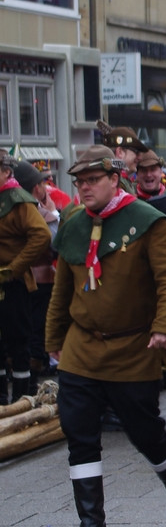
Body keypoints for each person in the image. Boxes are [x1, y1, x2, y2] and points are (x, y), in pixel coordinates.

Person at [44, 146, 166, 527]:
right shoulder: (74, 223)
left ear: (115, 178)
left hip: (133, 347)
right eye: (79, 182)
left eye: (92, 180)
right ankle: (92, 525)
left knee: (144, 432)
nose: (84, 188)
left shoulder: (147, 222)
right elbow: (63, 289)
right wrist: (53, 339)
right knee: (79, 434)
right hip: (81, 347)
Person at [0, 151, 52, 404]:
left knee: (18, 341)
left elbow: (42, 236)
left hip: (13, 283)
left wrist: (15, 267)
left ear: (7, 172)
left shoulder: (18, 200)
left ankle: (22, 398)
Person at [13, 162, 59, 380]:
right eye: (41, 183)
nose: (45, 186)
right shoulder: (37, 212)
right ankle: (32, 378)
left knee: (28, 330)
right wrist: (54, 214)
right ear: (34, 187)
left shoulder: (16, 208)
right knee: (37, 331)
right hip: (41, 278)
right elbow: (54, 243)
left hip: (23, 277)